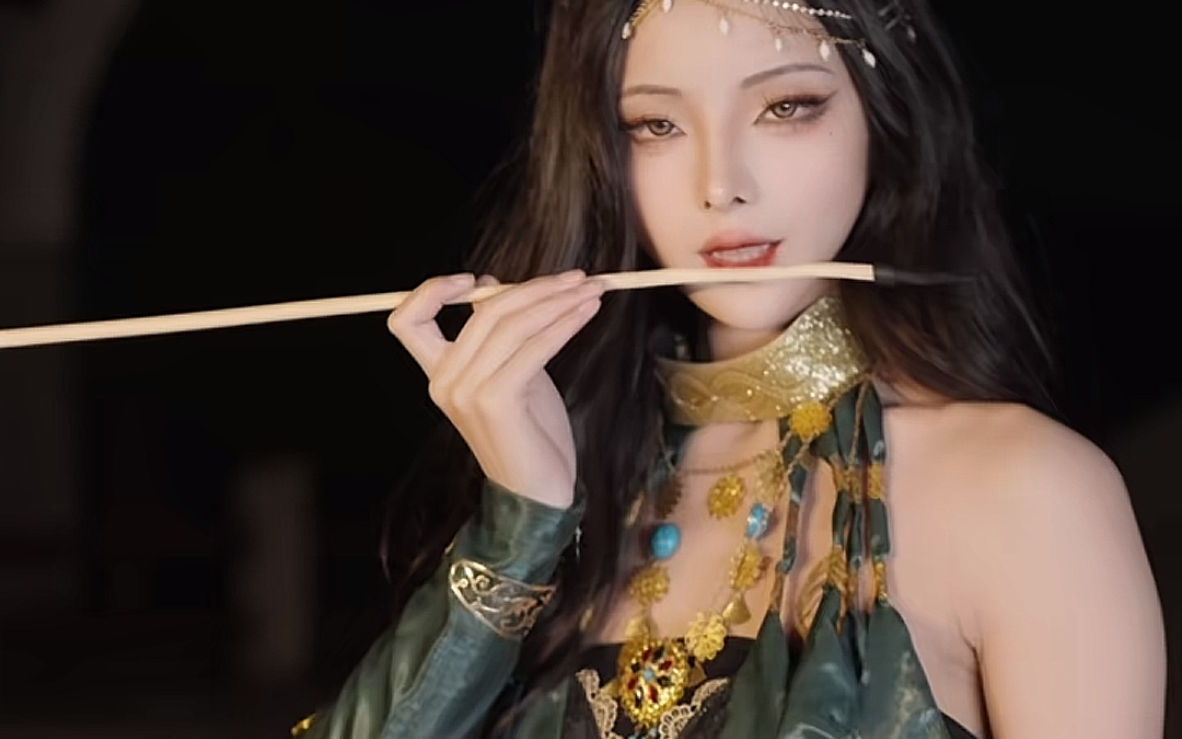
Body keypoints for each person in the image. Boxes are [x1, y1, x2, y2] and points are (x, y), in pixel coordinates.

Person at [293, 0, 1166, 737]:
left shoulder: (1025, 491)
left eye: (786, 106)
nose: (721, 185)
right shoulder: (571, 487)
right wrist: (518, 529)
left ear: (884, 115)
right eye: (657, 124)